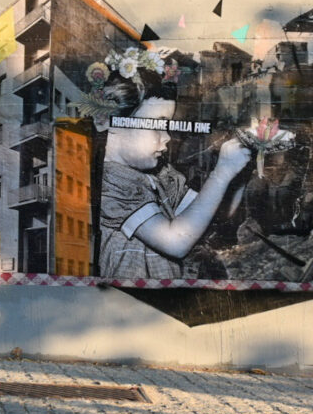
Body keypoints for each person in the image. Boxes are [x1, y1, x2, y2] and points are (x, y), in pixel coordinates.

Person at [87, 49, 253, 280]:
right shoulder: (109, 183)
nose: (167, 138)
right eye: (156, 125)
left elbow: (213, 216)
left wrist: (241, 170)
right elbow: (176, 242)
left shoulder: (159, 173)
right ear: (111, 123)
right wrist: (222, 173)